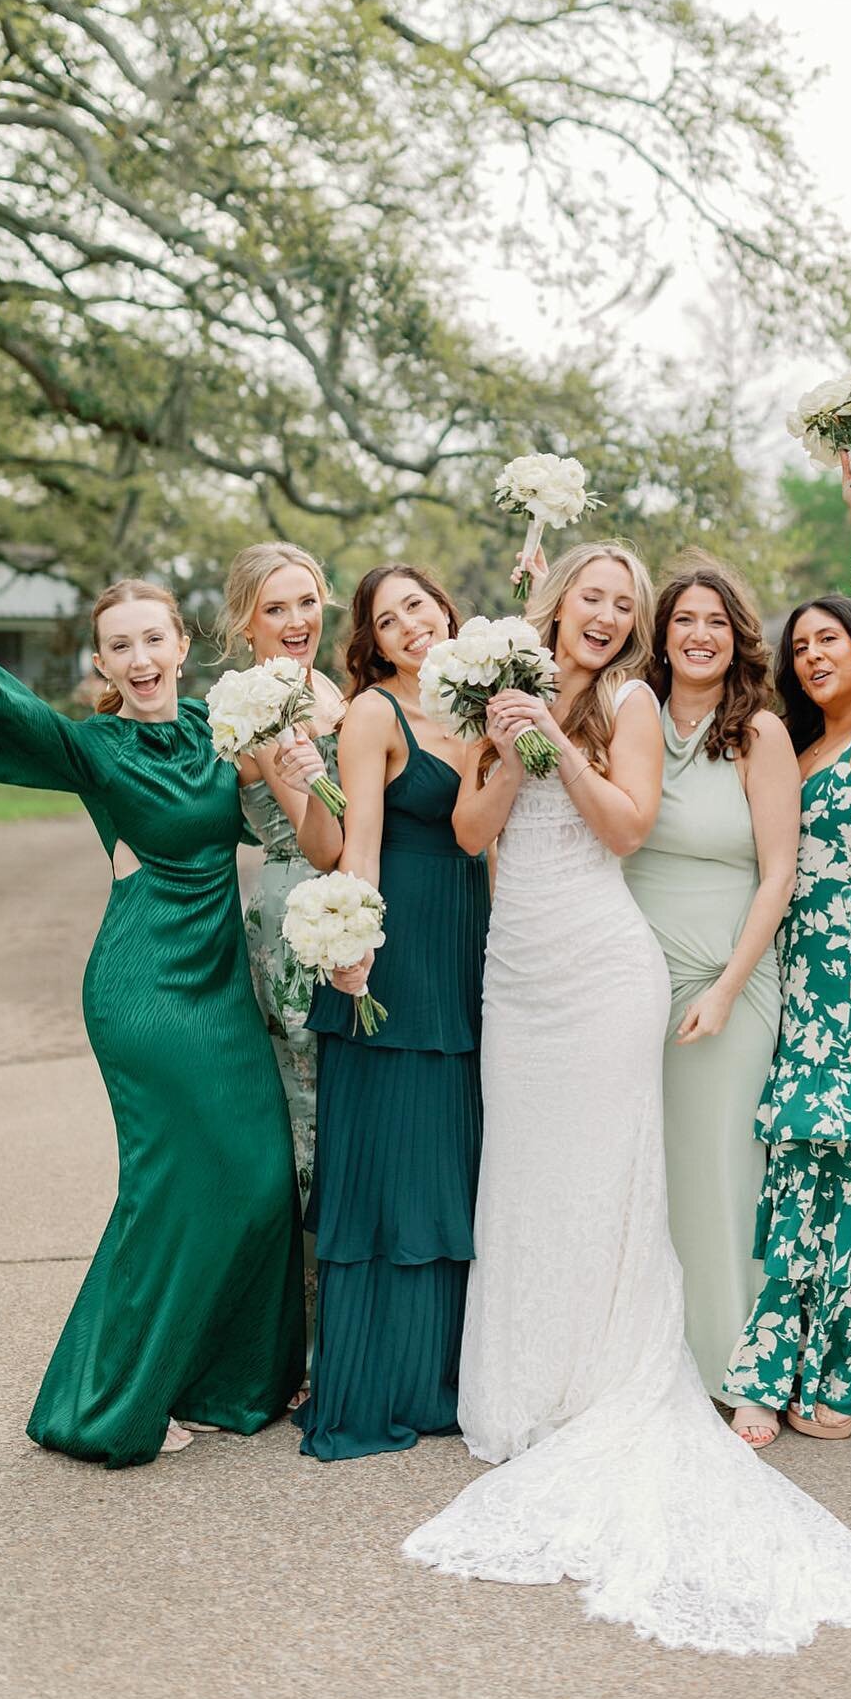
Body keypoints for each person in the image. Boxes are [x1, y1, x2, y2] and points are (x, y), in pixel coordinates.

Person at [403, 541, 851, 1655]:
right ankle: (536, 1373)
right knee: (548, 1170)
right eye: (608, 598)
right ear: (563, 605)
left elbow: (645, 831)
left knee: (685, 1168)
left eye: (631, 605)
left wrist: (552, 749)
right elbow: (473, 831)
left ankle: (734, 1368)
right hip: (531, 966)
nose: (625, 617)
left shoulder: (649, 710)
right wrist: (501, 742)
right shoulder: (539, 695)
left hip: (655, 962)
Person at [0, 577, 303, 1465]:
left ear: (182, 645)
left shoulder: (219, 732)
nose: (140, 659)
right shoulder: (96, 747)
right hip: (146, 991)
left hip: (222, 986)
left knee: (257, 1177)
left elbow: (285, 820)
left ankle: (226, 1384)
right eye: (120, 646)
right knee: (173, 1186)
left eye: (154, 639)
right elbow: (12, 720)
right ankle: (106, 1400)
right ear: (100, 663)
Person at [723, 454, 851, 1442]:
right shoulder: (794, 746)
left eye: (828, 639)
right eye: (798, 644)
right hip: (794, 973)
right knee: (799, 1168)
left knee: (838, 1167)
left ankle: (834, 1375)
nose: (813, 653)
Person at [285, 566, 489, 1460]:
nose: (410, 623)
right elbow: (357, 840)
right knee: (382, 1171)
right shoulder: (374, 713)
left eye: (420, 605)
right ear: (372, 637)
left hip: (470, 951)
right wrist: (351, 942)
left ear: (447, 611)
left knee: (448, 1165)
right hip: (395, 953)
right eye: (387, 616)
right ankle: (369, 1382)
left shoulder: (484, 706)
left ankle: (437, 1378)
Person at [622, 555, 797, 1448]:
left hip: (728, 976)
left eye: (716, 621)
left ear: (738, 637)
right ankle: (644, 1355)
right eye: (684, 618)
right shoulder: (632, 716)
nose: (698, 634)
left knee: (725, 1170)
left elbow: (779, 874)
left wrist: (729, 988)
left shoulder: (759, 734)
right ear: (662, 633)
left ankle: (742, 1368)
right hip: (630, 973)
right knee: (641, 1170)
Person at [218, 541, 345, 1216]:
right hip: (298, 908)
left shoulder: (325, 687)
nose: (296, 619)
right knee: (308, 1100)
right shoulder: (258, 706)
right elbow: (318, 840)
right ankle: (305, 1303)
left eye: (306, 601)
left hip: (344, 897)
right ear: (247, 624)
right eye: (276, 608)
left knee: (342, 1091)